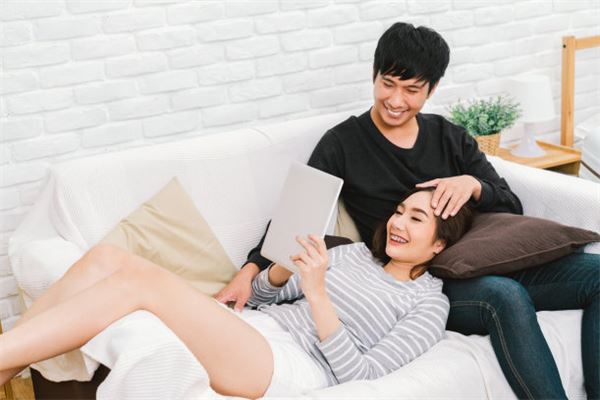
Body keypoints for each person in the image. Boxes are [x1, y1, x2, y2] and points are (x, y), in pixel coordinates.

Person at [216, 22, 600, 399]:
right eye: (388, 84)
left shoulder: (448, 136)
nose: (396, 100)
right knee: (506, 296)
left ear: (432, 89)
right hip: (425, 279)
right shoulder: (344, 143)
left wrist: (472, 184)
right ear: (374, 74)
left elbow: (509, 203)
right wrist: (251, 269)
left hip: (480, 257)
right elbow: (301, 208)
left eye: (412, 90)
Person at [0, 188, 472, 397]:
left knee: (139, 282)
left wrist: (319, 296)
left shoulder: (428, 303)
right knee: (106, 258)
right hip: (255, 329)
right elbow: (262, 300)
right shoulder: (352, 254)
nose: (398, 222)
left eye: (416, 218)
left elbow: (363, 376)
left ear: (440, 243)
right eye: (399, 211)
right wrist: (282, 271)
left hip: (293, 366)